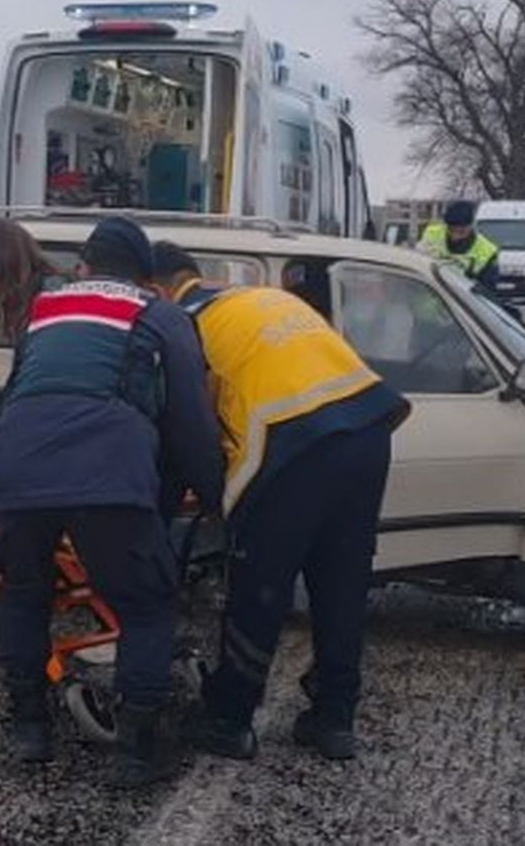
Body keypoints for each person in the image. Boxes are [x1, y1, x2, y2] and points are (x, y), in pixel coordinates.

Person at [0, 216, 223, 787]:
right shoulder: (159, 314)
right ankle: (136, 751)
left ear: (85, 266)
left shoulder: (44, 310)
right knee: (145, 604)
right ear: (147, 276)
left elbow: (20, 391)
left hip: (17, 464)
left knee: (23, 593)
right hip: (107, 470)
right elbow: (190, 420)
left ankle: (30, 730)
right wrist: (216, 496)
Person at [151, 242, 410, 762]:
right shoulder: (258, 298)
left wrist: (175, 506)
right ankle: (335, 719)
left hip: (294, 443)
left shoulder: (179, 322)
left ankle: (229, 719)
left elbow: (189, 430)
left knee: (259, 584)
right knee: (341, 581)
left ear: (157, 288)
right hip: (367, 428)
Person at [0, 219, 62, 646]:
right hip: (66, 421)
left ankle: (15, 617)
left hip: (46, 424)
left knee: (16, 523)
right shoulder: (52, 291)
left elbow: (30, 375)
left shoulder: (39, 305)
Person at [416, 200, 500, 289]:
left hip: (459, 298)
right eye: (451, 230)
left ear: (471, 226)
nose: (455, 236)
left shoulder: (487, 251)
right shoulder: (432, 234)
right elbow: (417, 263)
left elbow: (486, 291)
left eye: (461, 232)